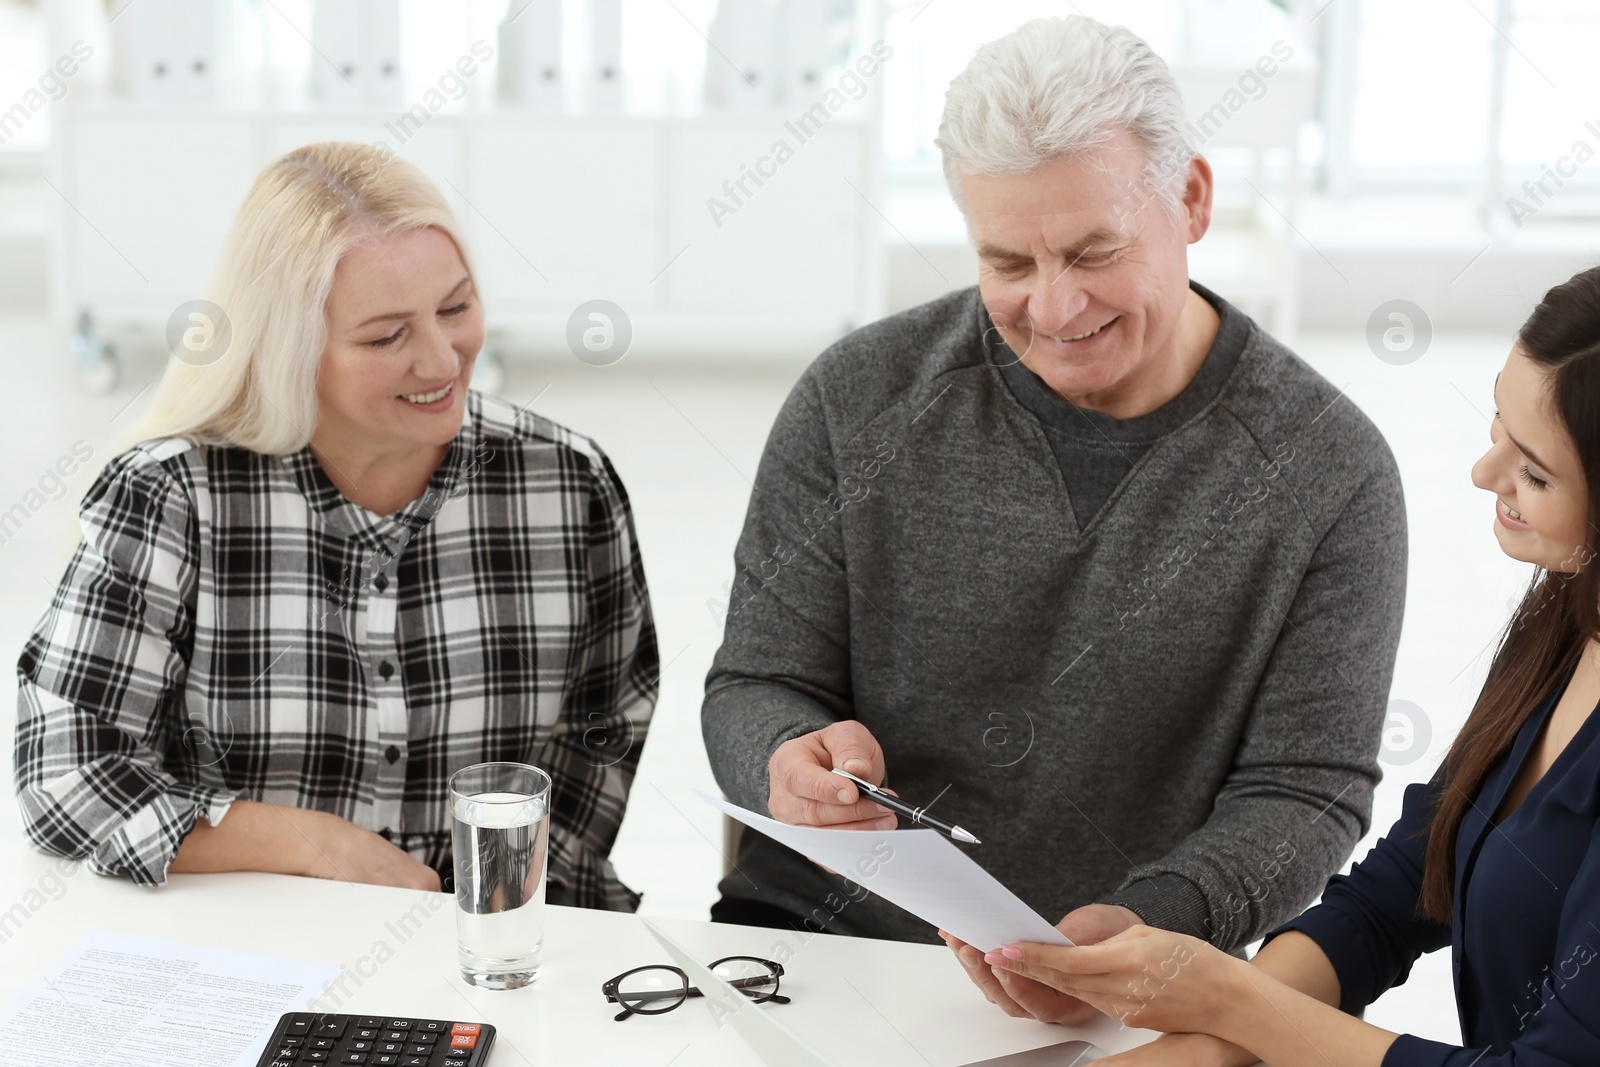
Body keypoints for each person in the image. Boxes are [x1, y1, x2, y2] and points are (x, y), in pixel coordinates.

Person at [700, 12, 1407, 1023]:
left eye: (1092, 251)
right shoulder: (854, 397)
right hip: (818, 951)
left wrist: (1150, 925)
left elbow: (1309, 789)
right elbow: (755, 680)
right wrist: (783, 754)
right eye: (1008, 263)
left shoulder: (1328, 472)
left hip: (1145, 983)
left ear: (1192, 199)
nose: (1055, 308)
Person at [974, 264, 1600, 1065]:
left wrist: (1233, 1000)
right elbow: (1402, 888)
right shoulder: (1568, 619)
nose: (1484, 475)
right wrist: (1212, 1039)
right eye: (1496, 426)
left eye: (1535, 472)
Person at [13, 142, 658, 909]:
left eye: (455, 307)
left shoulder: (567, 482)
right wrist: (311, 844)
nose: (442, 357)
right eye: (386, 336)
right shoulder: (168, 496)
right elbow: (65, 780)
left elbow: (603, 729)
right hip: (250, 944)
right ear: (291, 346)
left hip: (493, 940)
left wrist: (492, 909)